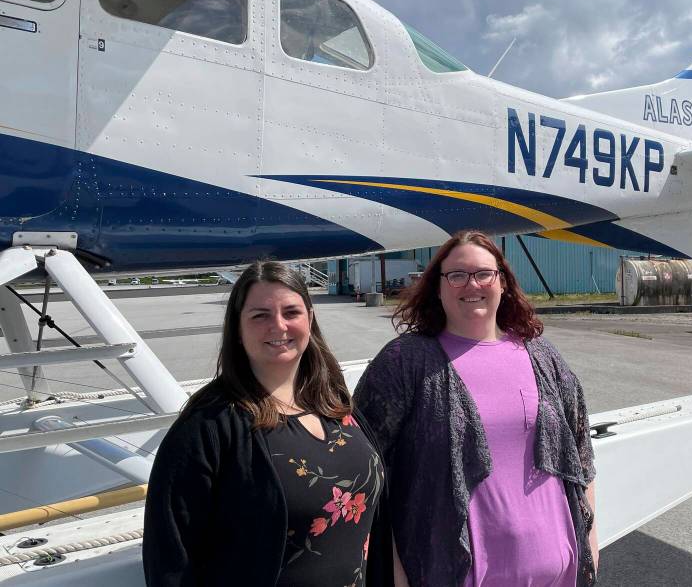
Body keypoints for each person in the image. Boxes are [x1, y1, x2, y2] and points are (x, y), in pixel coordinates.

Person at [354, 231, 598, 587]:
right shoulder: (404, 362)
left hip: (558, 574)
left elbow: (582, 457)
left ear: (503, 282)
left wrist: (590, 544)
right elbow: (366, 475)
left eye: (484, 273)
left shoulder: (542, 355)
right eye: (457, 275)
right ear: (437, 287)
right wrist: (392, 570)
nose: (472, 284)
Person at [143, 261, 391, 586]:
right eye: (260, 315)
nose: (279, 325)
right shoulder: (208, 426)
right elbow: (170, 560)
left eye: (291, 312)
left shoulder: (336, 404)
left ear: (310, 319)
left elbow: (379, 523)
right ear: (238, 328)